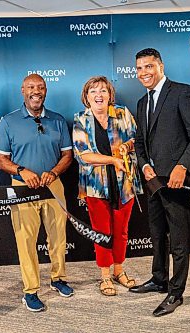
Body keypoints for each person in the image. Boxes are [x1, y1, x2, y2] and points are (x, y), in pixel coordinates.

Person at [129, 48, 190, 317]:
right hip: (152, 181)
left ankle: (176, 292)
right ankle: (159, 278)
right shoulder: (142, 102)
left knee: (179, 240)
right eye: (139, 68)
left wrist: (182, 167)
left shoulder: (182, 92)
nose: (143, 73)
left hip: (176, 181)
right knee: (157, 234)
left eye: (148, 67)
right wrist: (144, 165)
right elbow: (140, 142)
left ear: (161, 66)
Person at [0, 74, 74, 312]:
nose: (35, 91)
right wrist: (22, 171)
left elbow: (67, 156)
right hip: (22, 188)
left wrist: (54, 172)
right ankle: (30, 290)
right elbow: (0, 160)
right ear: (22, 91)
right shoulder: (8, 122)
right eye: (31, 87)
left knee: (58, 237)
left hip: (53, 186)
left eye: (40, 87)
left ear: (46, 91)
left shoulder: (58, 120)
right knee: (26, 240)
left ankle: (58, 278)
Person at [72, 76, 143, 296]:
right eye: (93, 91)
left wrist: (126, 147)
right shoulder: (80, 119)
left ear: (110, 95)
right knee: (102, 231)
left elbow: (137, 139)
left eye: (103, 90)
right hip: (95, 185)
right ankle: (104, 275)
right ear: (86, 96)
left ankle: (119, 271)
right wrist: (113, 160)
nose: (99, 95)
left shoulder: (122, 113)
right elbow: (83, 155)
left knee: (121, 230)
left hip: (124, 183)